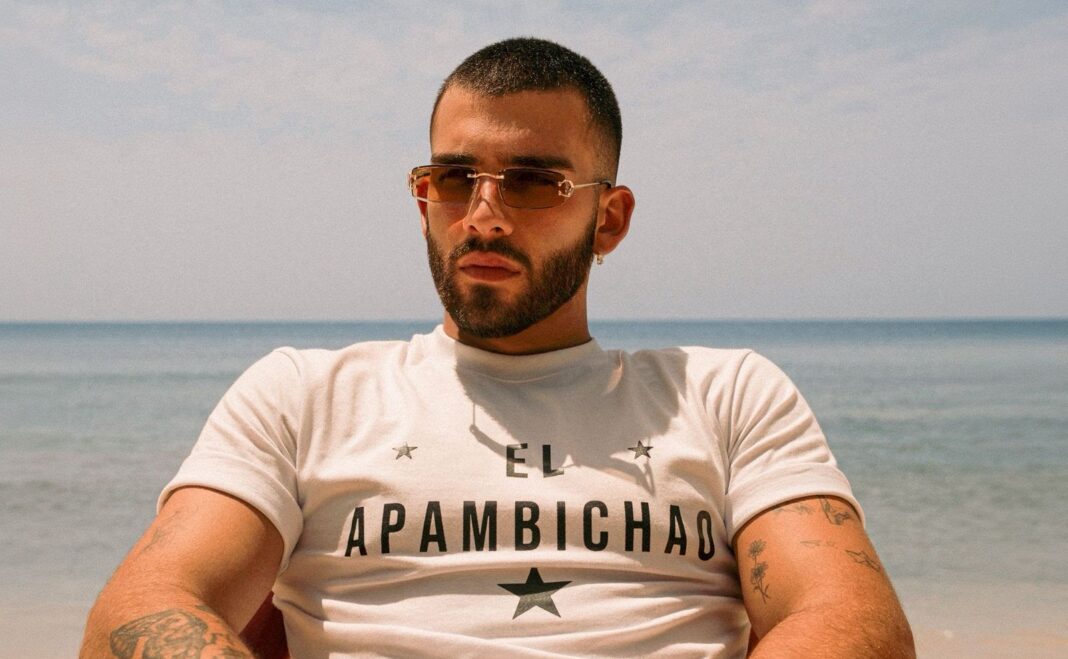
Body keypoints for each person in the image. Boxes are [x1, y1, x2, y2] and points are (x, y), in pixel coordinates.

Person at [81, 38, 914, 658]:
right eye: (453, 179)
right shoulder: (305, 395)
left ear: (609, 219)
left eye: (532, 183)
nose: (482, 215)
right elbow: (144, 605)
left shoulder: (724, 395)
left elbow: (852, 619)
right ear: (423, 199)